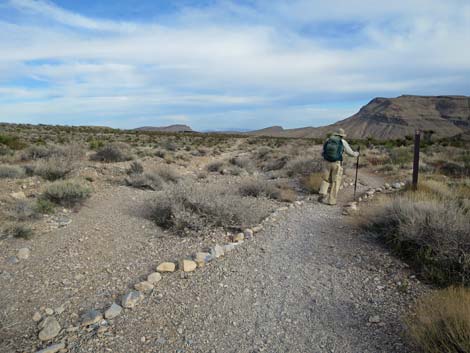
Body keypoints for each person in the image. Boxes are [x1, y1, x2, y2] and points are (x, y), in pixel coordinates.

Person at [319, 128, 359, 205]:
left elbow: (323, 151)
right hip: (336, 163)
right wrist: (356, 153)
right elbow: (350, 153)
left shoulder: (328, 140)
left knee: (326, 179)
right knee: (335, 181)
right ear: (342, 135)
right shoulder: (342, 142)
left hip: (327, 162)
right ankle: (332, 201)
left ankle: (322, 194)